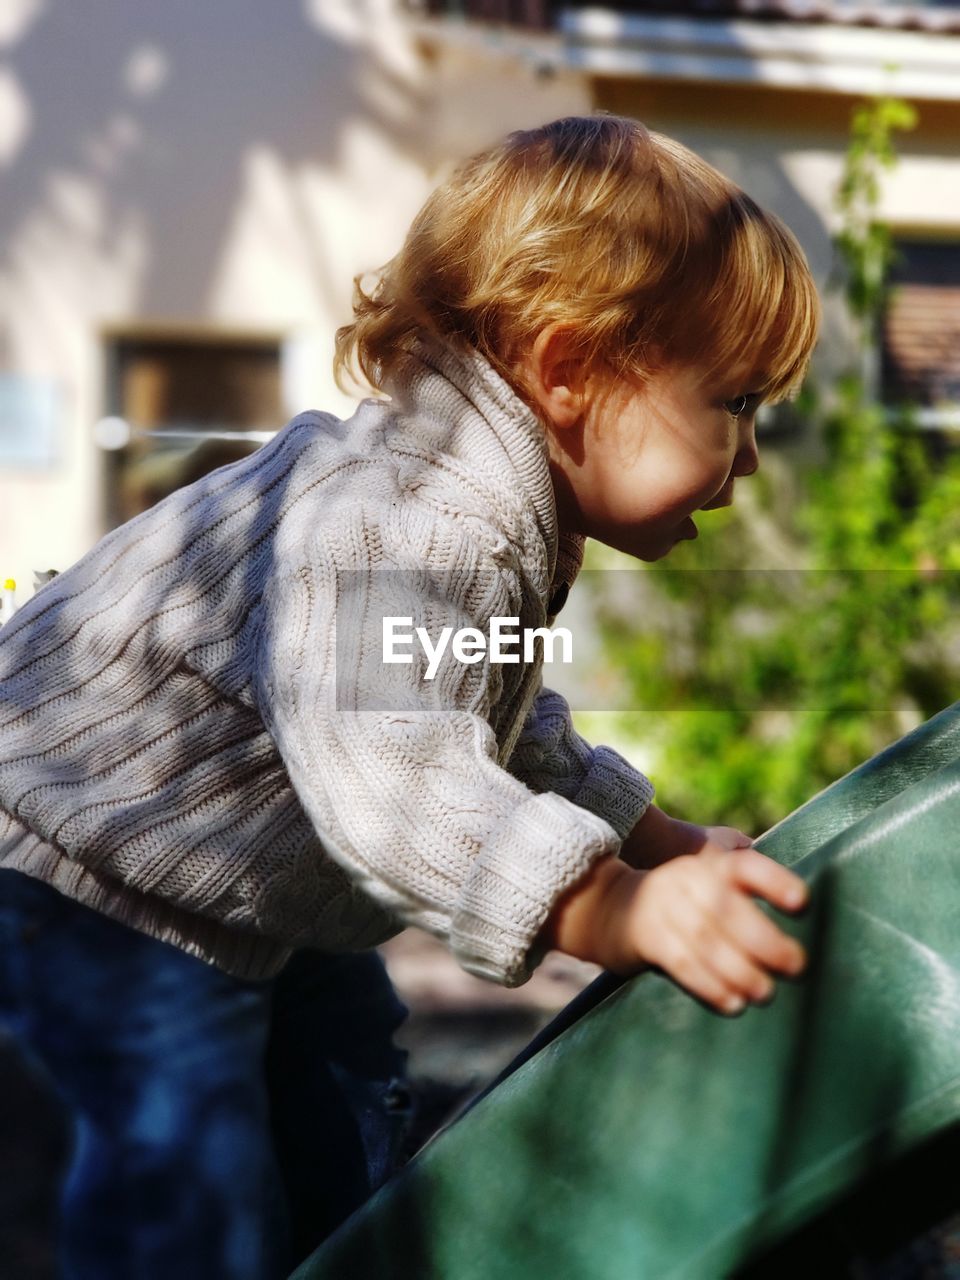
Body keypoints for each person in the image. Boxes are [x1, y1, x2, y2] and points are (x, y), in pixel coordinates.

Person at [0, 114, 819, 1278]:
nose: (747, 458)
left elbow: (499, 727)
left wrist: (656, 839)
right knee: (182, 1189)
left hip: (252, 898)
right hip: (89, 883)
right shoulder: (410, 512)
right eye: (735, 402)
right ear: (572, 367)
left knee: (347, 1102)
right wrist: (614, 906)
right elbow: (398, 774)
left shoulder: (498, 505)